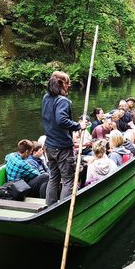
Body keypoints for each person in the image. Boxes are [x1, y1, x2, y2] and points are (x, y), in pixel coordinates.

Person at [41, 71, 88, 205]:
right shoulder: (62, 101)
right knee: (68, 180)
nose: (69, 86)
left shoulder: (46, 97)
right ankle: (63, 208)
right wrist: (78, 125)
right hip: (62, 147)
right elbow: (61, 120)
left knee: (53, 178)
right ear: (62, 84)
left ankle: (50, 206)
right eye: (68, 83)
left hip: (49, 145)